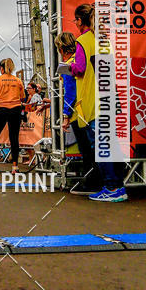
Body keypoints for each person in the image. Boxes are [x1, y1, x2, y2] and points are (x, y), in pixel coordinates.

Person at [71, 3, 126, 202]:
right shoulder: (103, 40)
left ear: (80, 21)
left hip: (94, 101)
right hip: (109, 97)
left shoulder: (83, 40)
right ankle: (118, 185)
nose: (75, 23)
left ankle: (111, 187)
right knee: (111, 144)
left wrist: (70, 67)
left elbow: (80, 68)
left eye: (75, 20)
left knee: (101, 146)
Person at [55, 31, 98, 192]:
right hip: (91, 108)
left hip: (77, 113)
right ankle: (98, 181)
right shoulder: (82, 60)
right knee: (93, 148)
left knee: (86, 150)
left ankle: (92, 182)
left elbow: (70, 93)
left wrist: (66, 115)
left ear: (61, 49)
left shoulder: (67, 66)